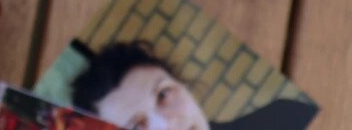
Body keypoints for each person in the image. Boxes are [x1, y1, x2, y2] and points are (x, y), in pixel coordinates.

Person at [70, 41, 317, 130]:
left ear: (183, 85)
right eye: (136, 127)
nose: (167, 126)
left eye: (163, 95)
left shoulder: (289, 118)